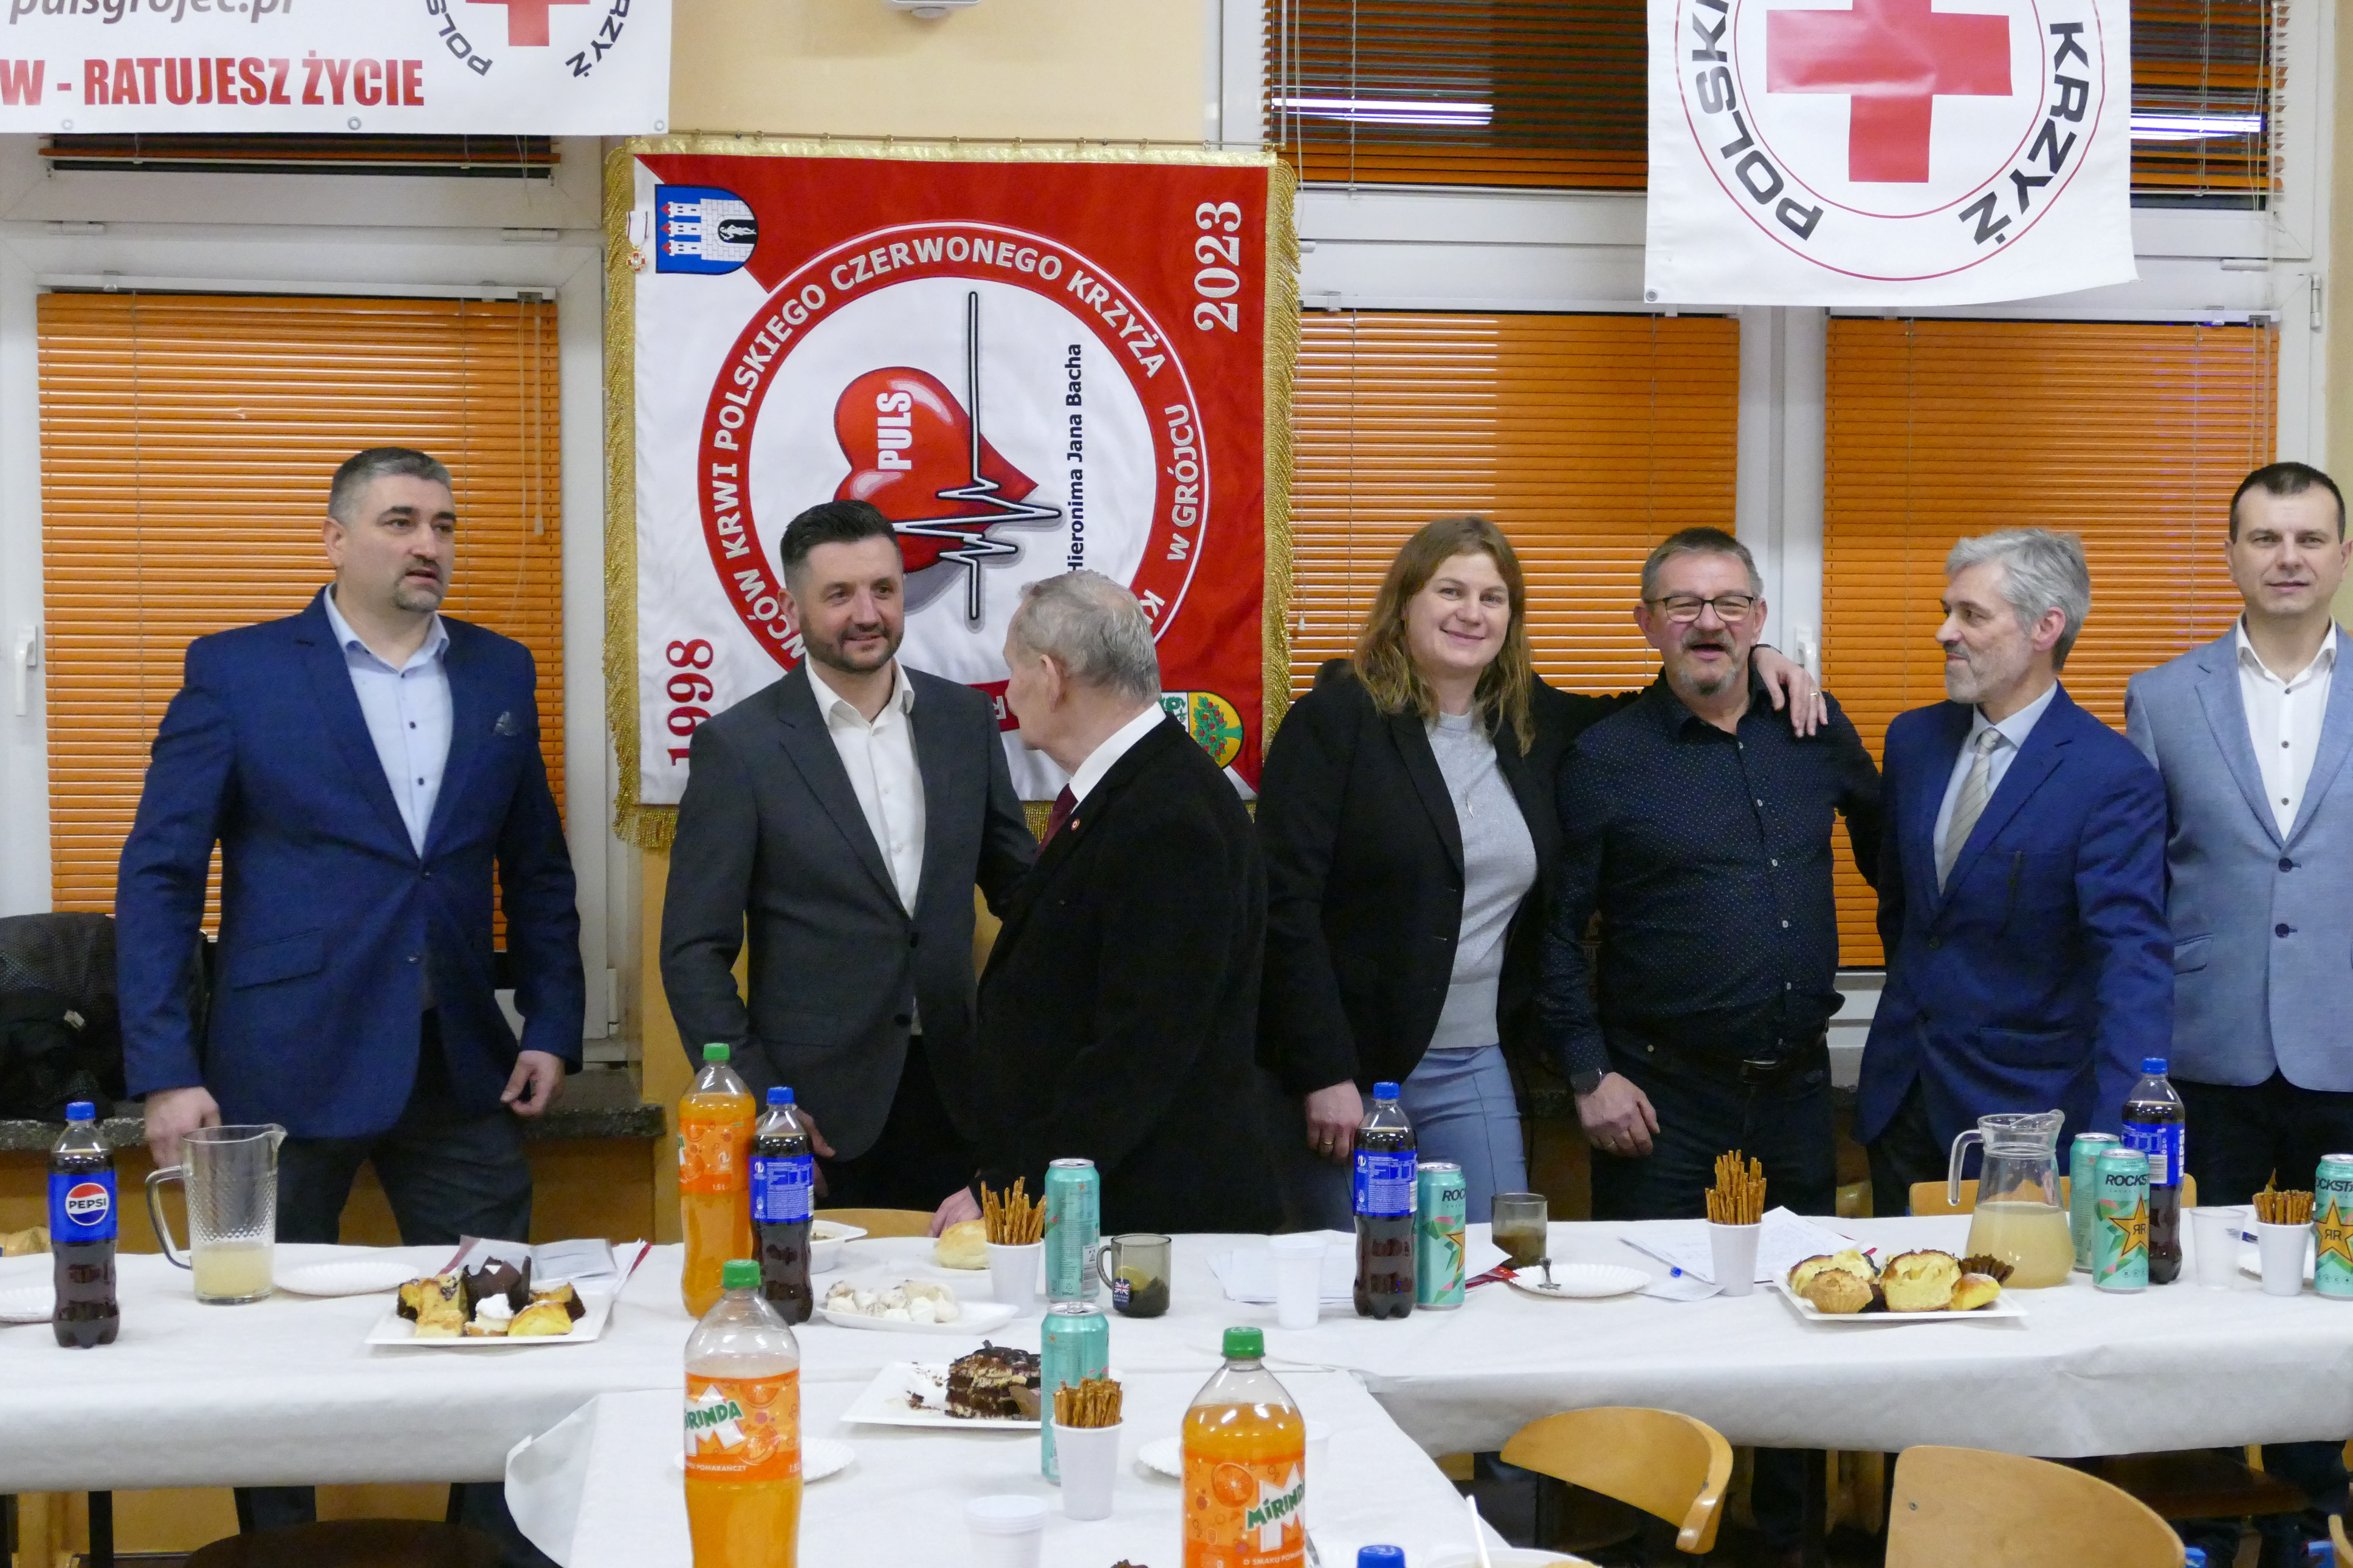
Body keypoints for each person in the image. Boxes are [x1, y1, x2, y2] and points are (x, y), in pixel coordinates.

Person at [115, 447, 582, 1558]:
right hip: (280, 1062)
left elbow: (537, 866)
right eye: (401, 521)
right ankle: (278, 1553)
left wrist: (555, 1021)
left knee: (502, 1326)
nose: (429, 544)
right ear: (335, 540)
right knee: (264, 1343)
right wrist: (166, 1069)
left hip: (459, 1060)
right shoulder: (237, 671)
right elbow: (161, 875)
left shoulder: (499, 670)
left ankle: (489, 1550)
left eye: (445, 525)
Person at [1257, 516, 1826, 1226]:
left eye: (1492, 598)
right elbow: (1282, 906)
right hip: (1351, 1069)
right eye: (1450, 591)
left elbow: (1657, 709)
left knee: (1499, 1257)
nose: (1471, 613)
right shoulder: (1334, 721)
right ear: (1404, 603)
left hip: (1473, 1058)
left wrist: (1756, 655)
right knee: (1360, 1272)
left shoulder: (1530, 723)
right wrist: (1321, 1071)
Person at [1537, 526, 1879, 1568]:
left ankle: (1789, 1544)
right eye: (1682, 604)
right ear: (1645, 623)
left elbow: (1900, 864)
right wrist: (1588, 1072)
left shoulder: (1812, 729)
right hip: (1659, 1097)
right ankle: (1657, 1542)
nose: (1707, 623)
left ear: (1759, 620)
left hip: (1795, 1092)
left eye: (1730, 604)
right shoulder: (1605, 758)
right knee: (1655, 1336)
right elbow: (1554, 933)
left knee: (1804, 1325)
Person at [661, 498, 1035, 1209]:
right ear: (791, 608)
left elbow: (1022, 893)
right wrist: (760, 1107)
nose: (867, 614)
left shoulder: (963, 721)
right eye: (839, 595)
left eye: (883, 589)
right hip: (813, 1117)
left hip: (959, 1101)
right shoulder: (739, 748)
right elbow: (692, 953)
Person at [2126, 462, 2353, 1567]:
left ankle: (2315, 1508)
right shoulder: (2163, 696)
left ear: (2342, 557)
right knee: (2199, 1286)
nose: (2287, 558)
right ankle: (2203, 1510)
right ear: (2230, 556)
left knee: (2331, 1295)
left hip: (2344, 1051)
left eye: (2308, 538)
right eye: (2264, 537)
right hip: (2203, 1049)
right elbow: (2135, 886)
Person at [933, 570, 1278, 1236]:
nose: (1008, 692)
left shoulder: (1167, 816)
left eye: (1013, 670)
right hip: (1120, 1199)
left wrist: (1013, 1187)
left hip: (1156, 1219)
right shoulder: (1139, 788)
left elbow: (1140, 1048)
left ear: (1050, 675)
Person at [1860, 529, 2171, 1221]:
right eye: (1947, 610)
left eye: (1971, 614)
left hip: (2025, 1119)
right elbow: (1904, 910)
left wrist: (2120, 1143)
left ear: (2044, 628)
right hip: (1901, 1098)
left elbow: (2130, 963)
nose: (1945, 632)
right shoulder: (1912, 740)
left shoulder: (2109, 777)